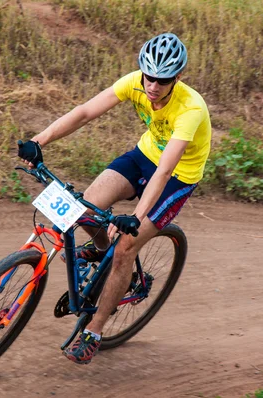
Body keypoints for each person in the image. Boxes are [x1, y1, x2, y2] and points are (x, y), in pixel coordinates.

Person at [17, 32, 212, 365]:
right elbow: (84, 112)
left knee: (125, 246)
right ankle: (103, 250)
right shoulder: (134, 82)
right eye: (149, 76)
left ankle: (94, 331)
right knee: (83, 208)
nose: (152, 85)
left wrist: (135, 216)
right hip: (143, 157)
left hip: (177, 175)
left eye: (162, 80)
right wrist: (39, 140)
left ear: (177, 78)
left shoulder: (190, 109)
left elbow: (164, 172)